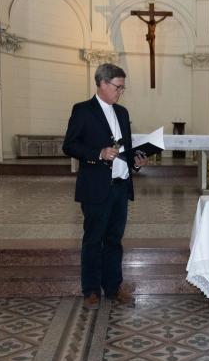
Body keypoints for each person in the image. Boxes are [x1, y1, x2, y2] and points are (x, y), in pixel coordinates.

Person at [62, 63, 148, 310]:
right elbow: (69, 145)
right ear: (102, 83)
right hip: (96, 186)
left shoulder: (122, 112)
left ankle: (113, 287)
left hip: (121, 186)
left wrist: (137, 163)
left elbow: (126, 150)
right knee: (93, 240)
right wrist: (98, 153)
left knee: (114, 240)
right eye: (117, 87)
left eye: (122, 88)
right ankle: (90, 290)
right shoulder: (83, 110)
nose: (120, 92)